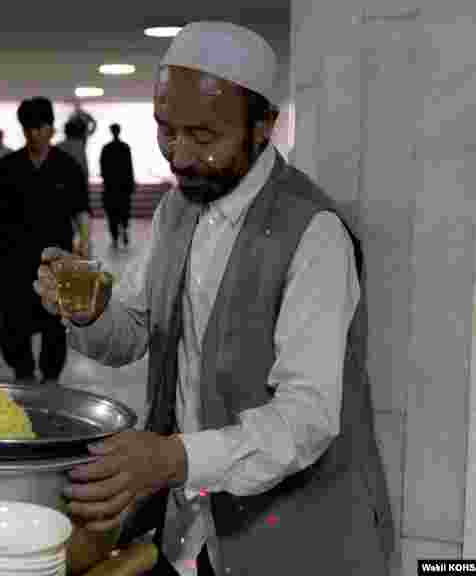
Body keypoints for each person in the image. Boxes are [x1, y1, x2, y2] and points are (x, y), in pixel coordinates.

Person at [34, 22, 393, 576]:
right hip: (189, 528)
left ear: (263, 126)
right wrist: (89, 310)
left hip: (292, 540)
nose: (178, 155)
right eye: (165, 130)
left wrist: (174, 457)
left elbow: (307, 419)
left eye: (203, 137)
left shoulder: (312, 233)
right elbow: (134, 332)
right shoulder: (178, 211)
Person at [0, 97, 91, 385]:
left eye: (39, 128)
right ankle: (23, 371)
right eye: (28, 128)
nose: (33, 134)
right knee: (12, 319)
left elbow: (81, 211)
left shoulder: (67, 166)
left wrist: (85, 247)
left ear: (51, 130)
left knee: (56, 320)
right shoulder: (8, 167)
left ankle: (51, 376)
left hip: (56, 261)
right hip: (12, 258)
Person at [99, 123, 135, 250]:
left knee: (112, 213)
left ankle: (114, 238)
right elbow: (129, 168)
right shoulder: (125, 147)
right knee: (124, 211)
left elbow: (102, 168)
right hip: (123, 186)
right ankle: (124, 229)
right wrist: (131, 184)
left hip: (110, 186)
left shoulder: (106, 148)